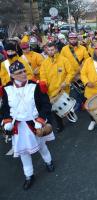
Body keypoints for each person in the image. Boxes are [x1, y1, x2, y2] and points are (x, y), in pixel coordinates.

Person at [1, 61, 55, 190]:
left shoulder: (35, 86)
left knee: (42, 146)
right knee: (24, 153)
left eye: (24, 71)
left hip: (34, 124)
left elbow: (46, 105)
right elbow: (5, 109)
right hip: (19, 127)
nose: (24, 74)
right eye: (19, 73)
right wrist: (7, 121)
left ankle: (48, 162)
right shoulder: (6, 89)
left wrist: (41, 120)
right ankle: (29, 176)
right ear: (12, 75)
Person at [40, 42, 75, 132]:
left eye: (52, 50)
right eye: (48, 50)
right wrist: (44, 83)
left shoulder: (64, 60)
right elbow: (42, 76)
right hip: (51, 91)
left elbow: (71, 73)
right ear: (46, 51)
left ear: (55, 49)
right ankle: (60, 125)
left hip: (63, 89)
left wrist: (66, 82)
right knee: (55, 110)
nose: (50, 52)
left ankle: (71, 115)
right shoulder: (44, 63)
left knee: (67, 106)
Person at [60, 32, 90, 111]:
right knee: (76, 92)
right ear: (68, 40)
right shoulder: (64, 49)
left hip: (81, 74)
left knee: (84, 91)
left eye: (74, 39)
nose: (73, 40)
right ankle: (79, 104)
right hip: (70, 75)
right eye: (71, 39)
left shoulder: (83, 48)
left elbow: (87, 60)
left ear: (77, 39)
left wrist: (80, 71)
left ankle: (84, 103)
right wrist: (71, 75)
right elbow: (62, 62)